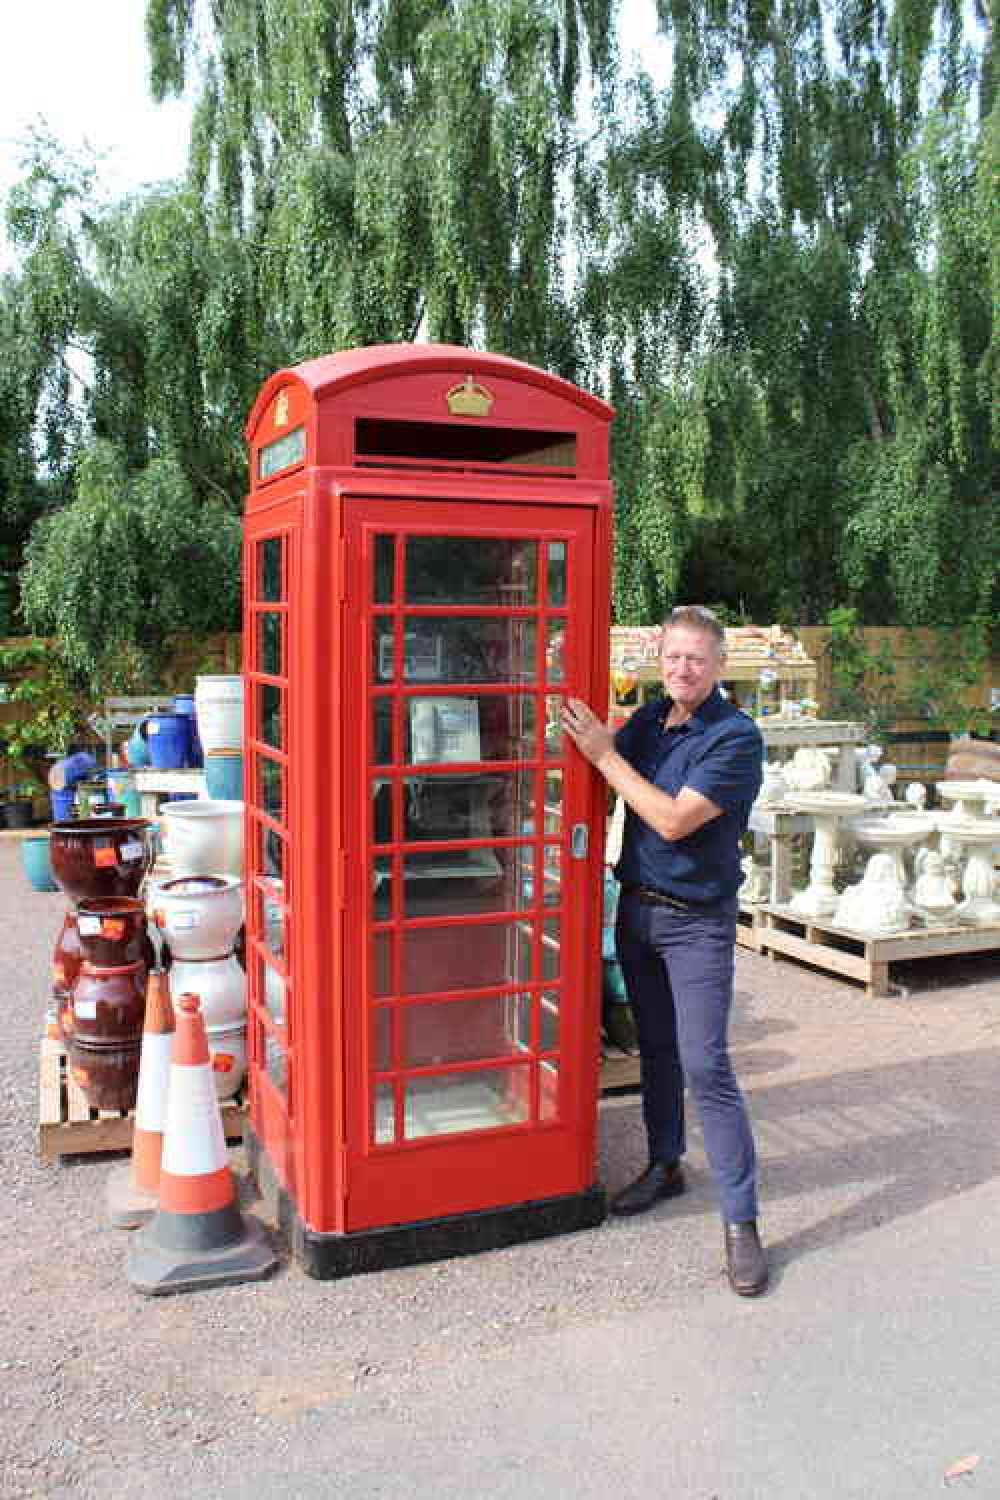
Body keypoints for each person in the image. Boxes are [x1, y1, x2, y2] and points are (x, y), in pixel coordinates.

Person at [562, 605, 767, 1297]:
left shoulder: (736, 738)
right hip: (638, 914)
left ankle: (742, 1223)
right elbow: (595, 772)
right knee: (656, 1050)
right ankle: (665, 1164)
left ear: (719, 667)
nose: (683, 669)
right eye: (674, 657)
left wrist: (604, 754)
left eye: (697, 660)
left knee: (707, 1065)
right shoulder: (648, 722)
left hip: (696, 924)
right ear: (659, 657)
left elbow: (674, 819)